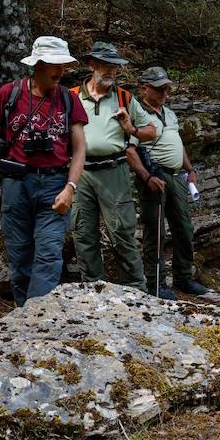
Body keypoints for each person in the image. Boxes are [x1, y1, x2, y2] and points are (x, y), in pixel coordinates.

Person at [0, 36, 87, 308]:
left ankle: (37, 318)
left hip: (55, 185)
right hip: (16, 184)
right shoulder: (9, 94)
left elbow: (79, 149)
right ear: (38, 65)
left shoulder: (68, 99)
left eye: (63, 65)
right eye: (55, 65)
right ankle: (23, 314)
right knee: (20, 256)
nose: (61, 72)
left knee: (49, 254)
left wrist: (71, 188)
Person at [70, 42, 157, 292]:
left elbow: (152, 131)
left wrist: (132, 130)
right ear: (92, 65)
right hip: (81, 173)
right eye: (105, 65)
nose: (111, 71)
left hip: (114, 171)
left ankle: (136, 291)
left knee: (122, 233)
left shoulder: (124, 97)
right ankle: (93, 291)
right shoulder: (72, 96)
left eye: (114, 67)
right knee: (83, 235)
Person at [125, 66, 214, 300]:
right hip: (155, 175)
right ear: (145, 88)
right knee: (155, 232)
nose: (165, 92)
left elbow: (178, 142)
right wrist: (146, 176)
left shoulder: (169, 112)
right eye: (159, 88)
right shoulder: (138, 114)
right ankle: (156, 283)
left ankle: (184, 277)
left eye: (167, 88)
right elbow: (131, 151)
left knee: (184, 227)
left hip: (177, 176)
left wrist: (190, 169)